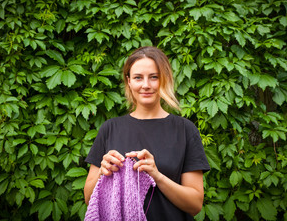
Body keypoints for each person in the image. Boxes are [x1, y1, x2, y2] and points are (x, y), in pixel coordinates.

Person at [83, 46, 210, 220]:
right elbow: (89, 199)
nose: (145, 85)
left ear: (164, 79)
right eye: (137, 78)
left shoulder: (185, 130)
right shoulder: (110, 129)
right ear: (129, 81)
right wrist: (101, 173)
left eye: (154, 77)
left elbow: (195, 205)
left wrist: (157, 176)